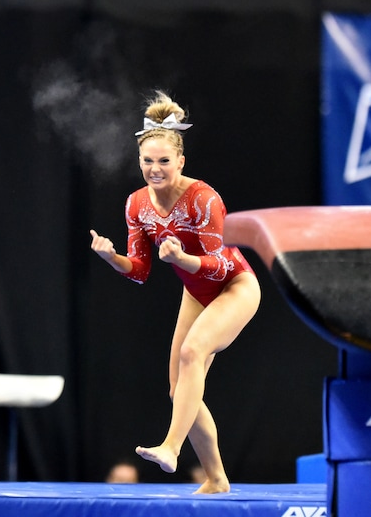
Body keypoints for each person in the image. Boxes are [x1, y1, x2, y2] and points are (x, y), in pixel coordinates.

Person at [89, 91, 261, 494]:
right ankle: (217, 480)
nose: (155, 169)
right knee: (178, 389)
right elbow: (141, 271)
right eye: (148, 161)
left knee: (191, 353)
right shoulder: (136, 205)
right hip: (197, 292)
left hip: (235, 286)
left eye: (164, 161)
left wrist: (182, 260)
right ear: (139, 162)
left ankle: (171, 446)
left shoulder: (203, 198)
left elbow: (221, 264)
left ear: (180, 162)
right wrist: (112, 257)